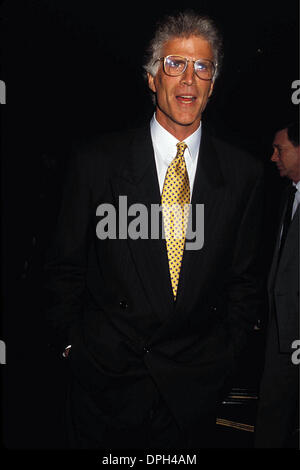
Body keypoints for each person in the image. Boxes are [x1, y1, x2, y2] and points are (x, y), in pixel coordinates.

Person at [45, 10, 264, 449]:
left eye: (202, 66)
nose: (188, 79)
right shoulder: (97, 163)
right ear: (151, 79)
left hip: (192, 395)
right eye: (174, 63)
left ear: (212, 84)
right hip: (105, 390)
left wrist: (223, 362)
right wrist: (74, 350)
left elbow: (244, 283)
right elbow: (64, 267)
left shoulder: (244, 174)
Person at [254, 121, 300, 448]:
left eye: (279, 149)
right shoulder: (287, 197)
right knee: (272, 419)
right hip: (280, 333)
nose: (273, 157)